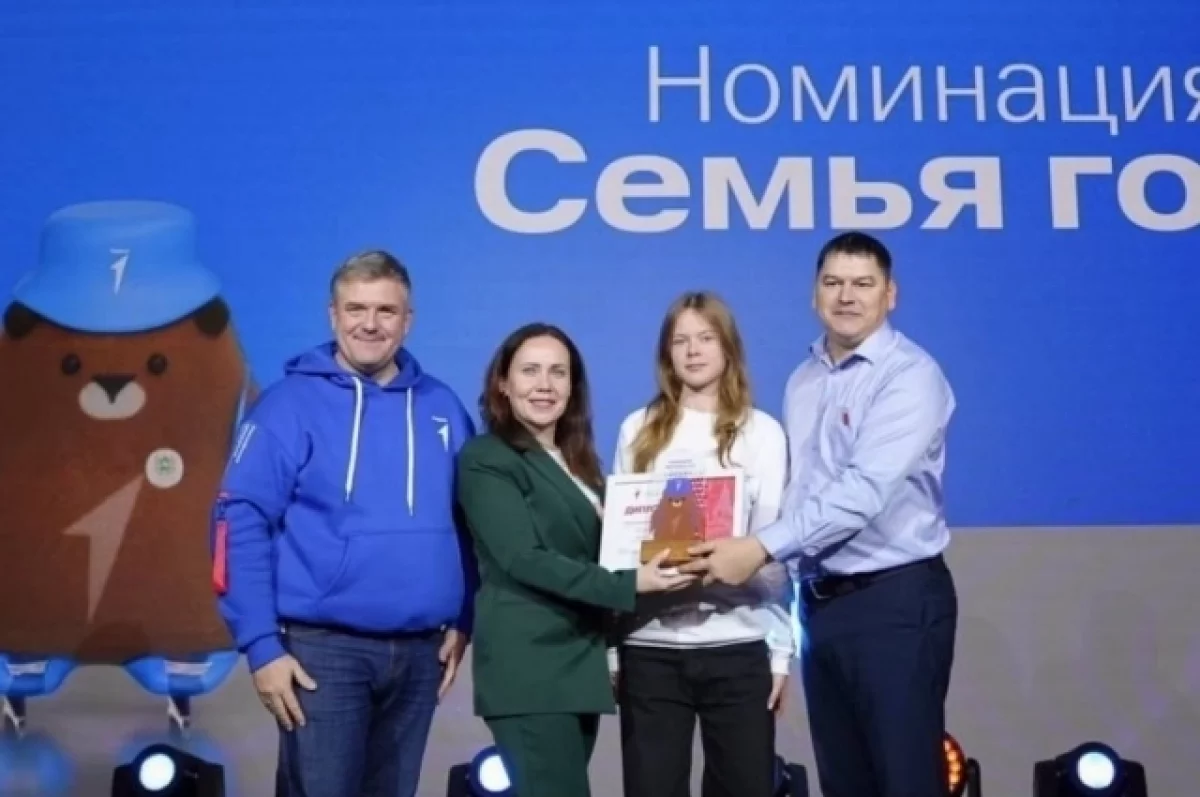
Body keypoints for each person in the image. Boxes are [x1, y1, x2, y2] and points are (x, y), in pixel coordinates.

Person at [682, 231, 959, 797]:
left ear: (890, 294)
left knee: (905, 780)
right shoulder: (803, 379)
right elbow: (798, 494)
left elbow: (862, 492)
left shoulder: (910, 375)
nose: (846, 296)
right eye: (833, 283)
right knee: (844, 782)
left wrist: (757, 547)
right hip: (822, 607)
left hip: (893, 601)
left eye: (863, 284)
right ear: (815, 295)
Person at [210, 250, 478, 797]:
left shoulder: (442, 407)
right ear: (333, 315)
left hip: (420, 655)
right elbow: (239, 521)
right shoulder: (288, 406)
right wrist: (261, 645)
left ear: (408, 320)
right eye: (356, 309)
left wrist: (465, 616)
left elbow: (471, 522)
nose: (370, 324)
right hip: (323, 654)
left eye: (386, 310)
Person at [455, 322, 695, 797]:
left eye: (558, 372)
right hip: (531, 668)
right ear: (502, 383)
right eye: (530, 371)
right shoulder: (487, 457)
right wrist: (630, 584)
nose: (544, 384)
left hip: (578, 665)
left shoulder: (579, 464)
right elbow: (522, 558)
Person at [609, 291, 797, 797]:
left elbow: (775, 554)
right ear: (666, 353)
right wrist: (612, 650)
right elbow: (619, 551)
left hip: (738, 646)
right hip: (649, 649)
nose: (693, 351)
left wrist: (781, 654)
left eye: (706, 338)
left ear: (728, 347)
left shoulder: (763, 433)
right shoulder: (637, 430)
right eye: (681, 340)